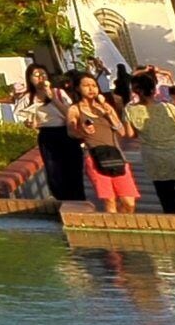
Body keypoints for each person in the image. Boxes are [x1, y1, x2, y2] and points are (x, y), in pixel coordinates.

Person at [70, 73, 139, 214]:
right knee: (109, 200)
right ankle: (115, 230)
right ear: (77, 88)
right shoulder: (75, 109)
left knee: (129, 202)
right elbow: (71, 131)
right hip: (95, 157)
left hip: (115, 155)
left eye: (94, 85)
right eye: (86, 85)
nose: (91, 89)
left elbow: (121, 132)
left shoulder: (105, 106)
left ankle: (124, 223)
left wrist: (110, 115)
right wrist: (82, 130)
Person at [17, 64, 86, 205]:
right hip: (47, 135)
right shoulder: (28, 98)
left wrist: (52, 97)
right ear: (30, 79)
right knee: (54, 171)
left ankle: (79, 203)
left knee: (73, 170)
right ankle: (62, 202)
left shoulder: (58, 93)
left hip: (66, 133)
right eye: (36, 75)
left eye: (43, 74)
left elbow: (70, 114)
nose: (40, 78)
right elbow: (25, 119)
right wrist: (30, 123)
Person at [135, 72, 175, 213]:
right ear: (154, 90)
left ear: (135, 91)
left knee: (167, 198)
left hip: (153, 159)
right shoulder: (169, 107)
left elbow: (128, 133)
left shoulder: (130, 110)